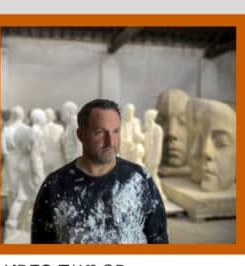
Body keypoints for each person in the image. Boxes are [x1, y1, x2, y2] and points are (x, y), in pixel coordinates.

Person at [31, 99, 168, 244]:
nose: (110, 142)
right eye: (100, 132)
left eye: (116, 131)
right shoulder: (55, 185)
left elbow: (159, 240)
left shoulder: (139, 179)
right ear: (80, 135)